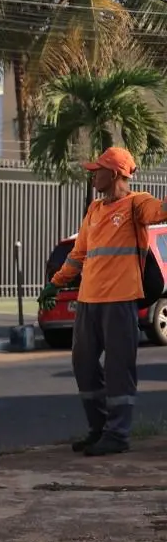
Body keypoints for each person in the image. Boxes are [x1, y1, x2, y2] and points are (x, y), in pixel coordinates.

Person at [38, 146, 167, 456]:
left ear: (115, 173)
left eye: (98, 170)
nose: (93, 174)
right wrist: (54, 284)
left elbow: (161, 211)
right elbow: (79, 254)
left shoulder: (138, 204)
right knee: (83, 365)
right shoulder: (94, 210)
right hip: (88, 302)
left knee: (119, 369)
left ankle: (118, 434)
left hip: (120, 302)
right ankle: (99, 429)